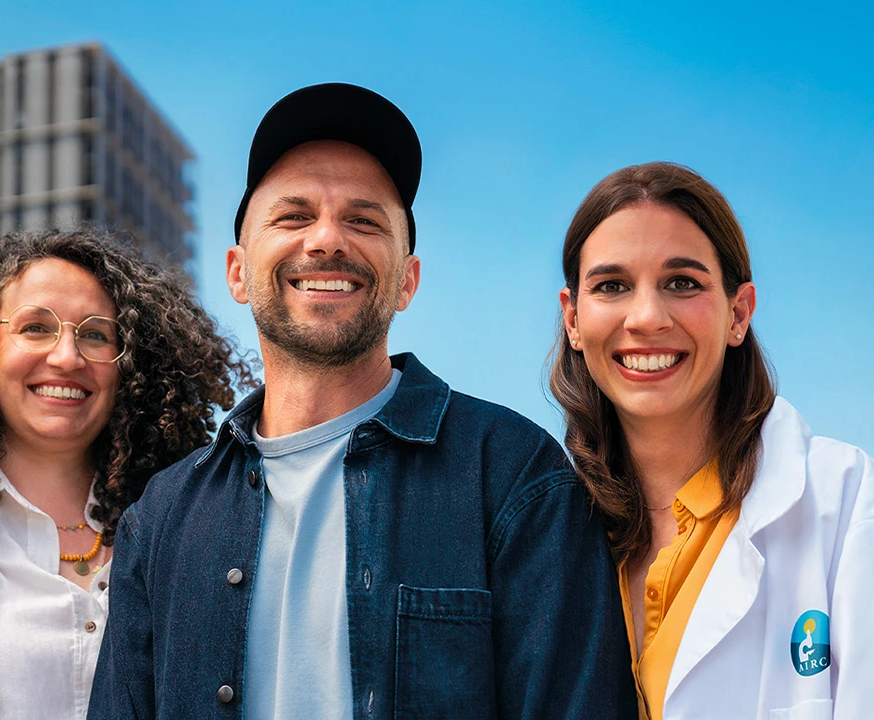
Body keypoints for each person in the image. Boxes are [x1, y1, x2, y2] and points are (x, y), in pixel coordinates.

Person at [89, 82, 636, 720]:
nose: (326, 240)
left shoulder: (514, 475)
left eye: (364, 220)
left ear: (407, 280)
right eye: (293, 216)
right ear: (238, 271)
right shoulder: (160, 519)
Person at [0, 228, 253, 719]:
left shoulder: (183, 520)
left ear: (132, 368)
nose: (67, 356)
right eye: (36, 328)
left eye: (96, 334)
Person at [550, 161, 874, 719]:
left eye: (683, 283)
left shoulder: (845, 505)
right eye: (611, 286)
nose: (646, 317)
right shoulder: (543, 533)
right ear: (573, 319)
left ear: (738, 313)